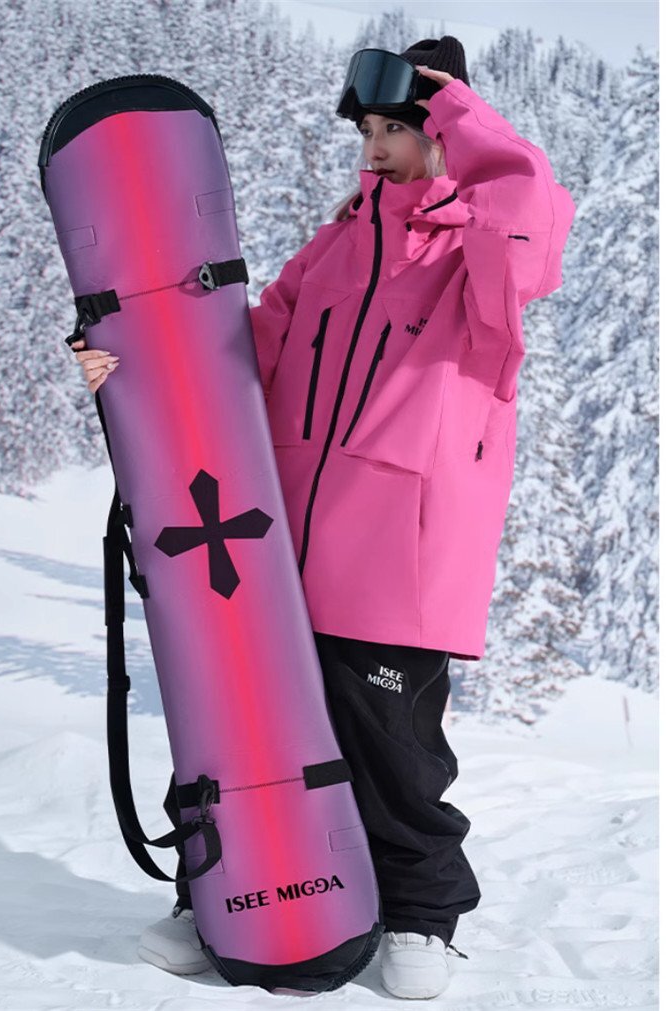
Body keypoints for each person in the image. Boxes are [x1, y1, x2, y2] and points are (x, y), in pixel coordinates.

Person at [71, 36, 576, 1000]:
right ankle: (220, 894)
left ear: (445, 136)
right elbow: (238, 353)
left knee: (390, 749)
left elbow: (529, 209)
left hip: (398, 554)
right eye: (369, 130)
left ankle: (421, 914)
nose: (376, 147)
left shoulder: (482, 257)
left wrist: (457, 110)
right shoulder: (337, 247)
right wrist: (128, 360)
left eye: (398, 129)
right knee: (244, 729)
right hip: (276, 546)